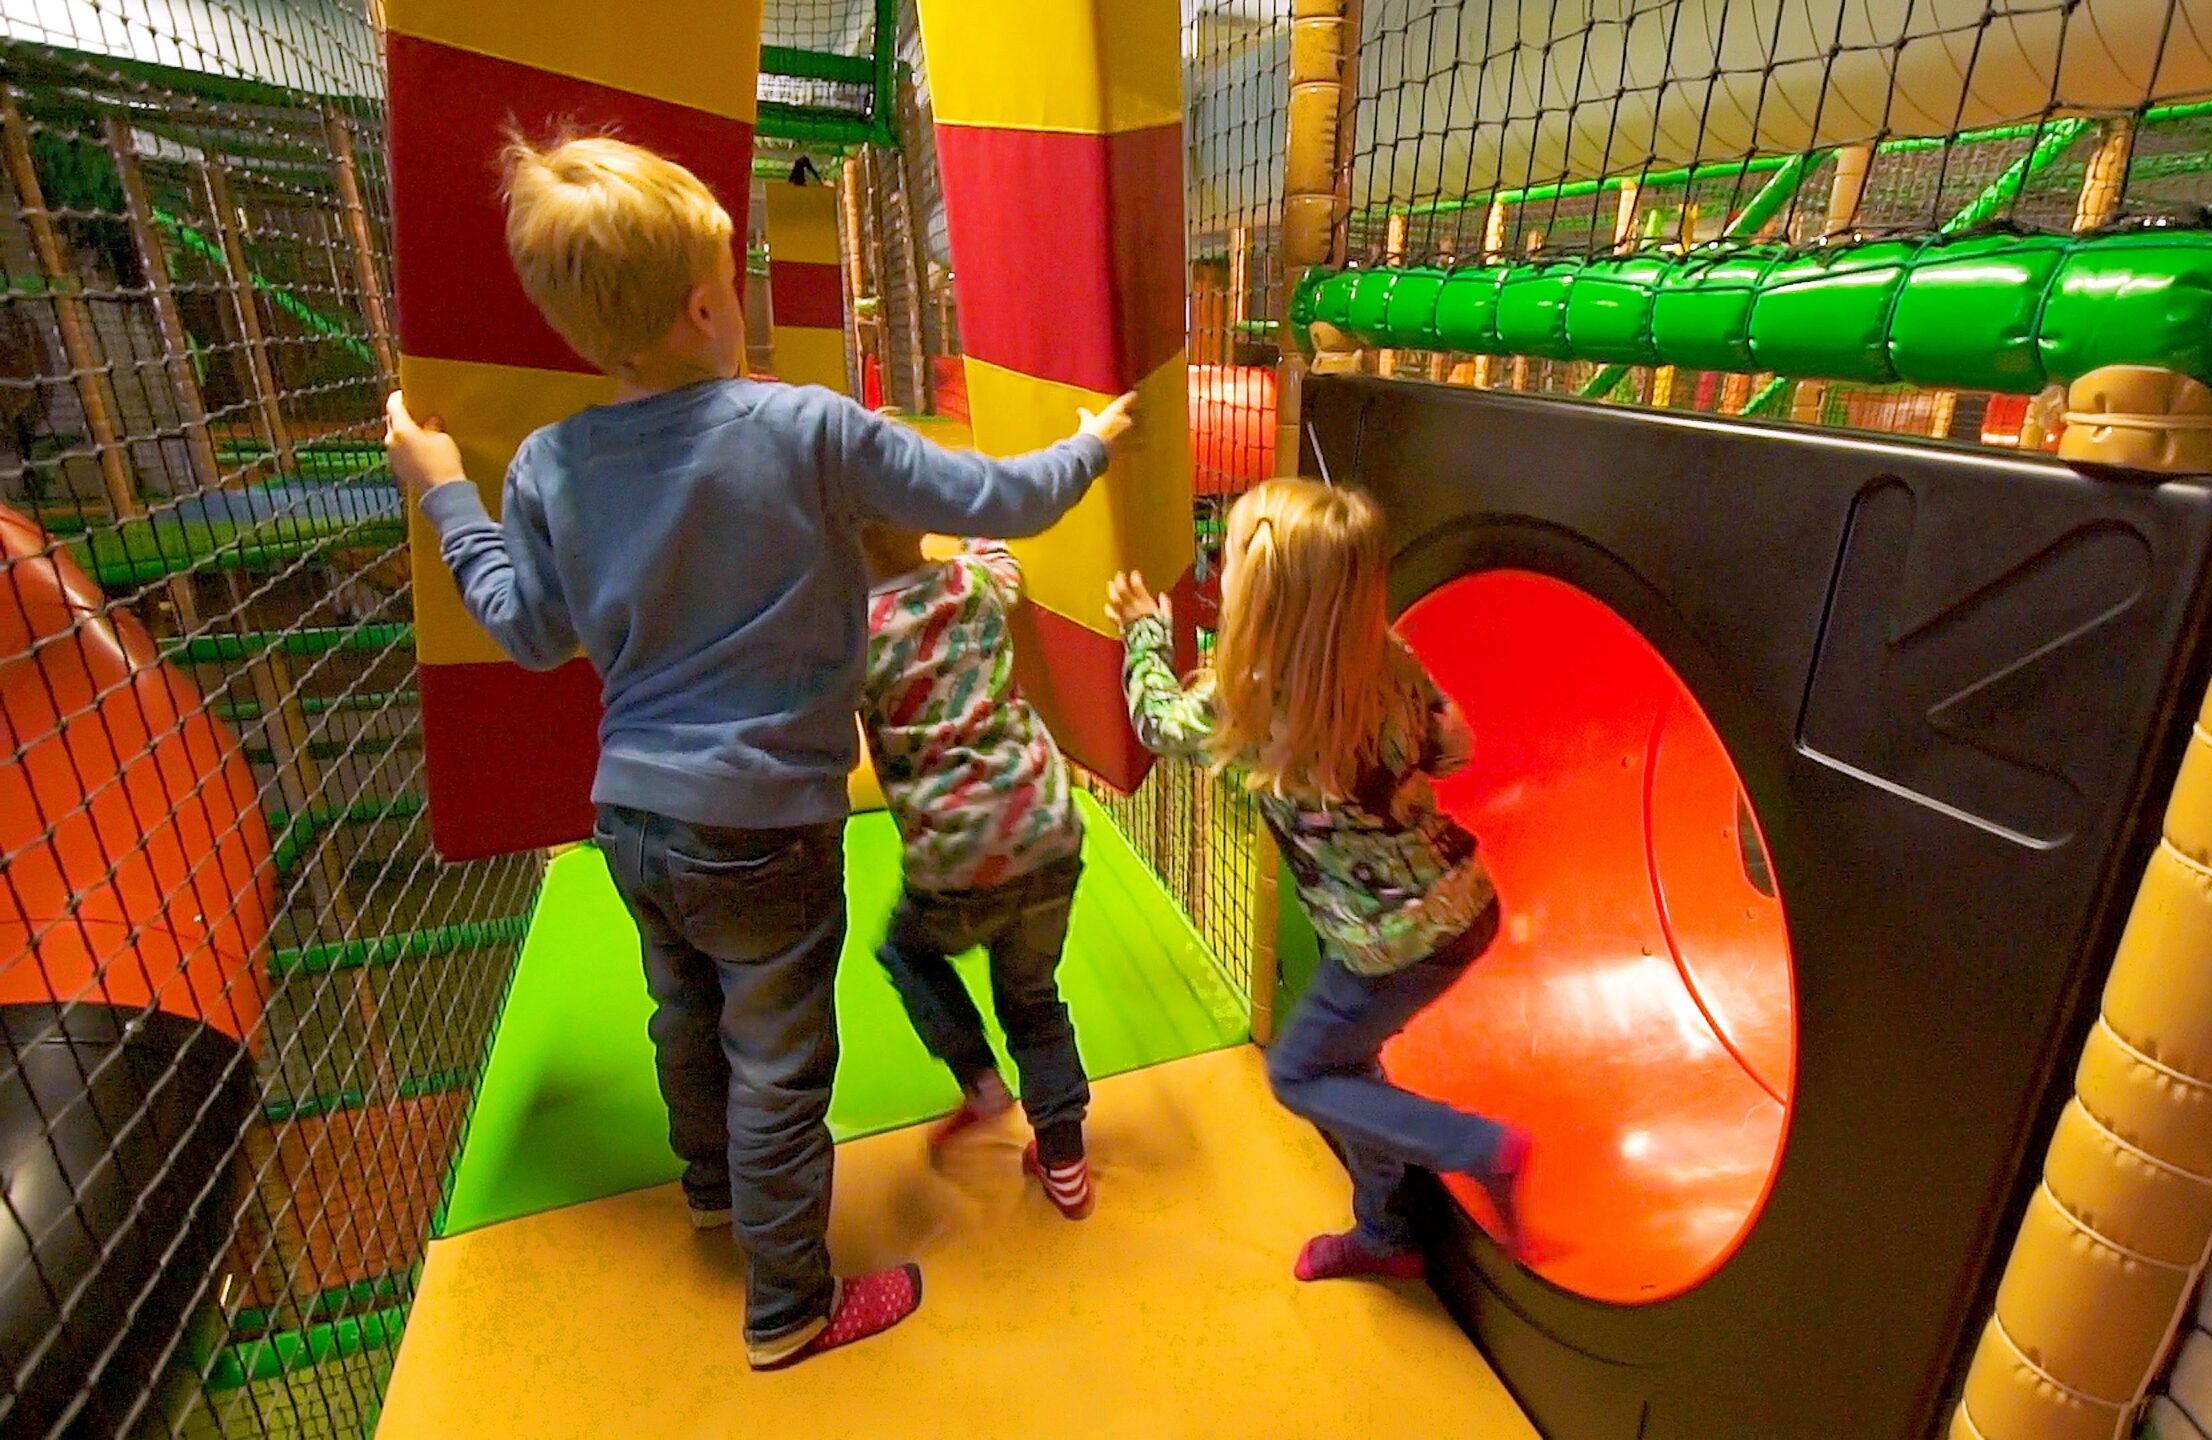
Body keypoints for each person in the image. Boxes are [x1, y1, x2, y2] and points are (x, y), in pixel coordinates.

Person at [382, 132, 1136, 1369]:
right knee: (780, 1064)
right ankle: (790, 1303)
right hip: (767, 825)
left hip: (628, 816)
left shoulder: (555, 467)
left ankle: (712, 1191)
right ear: (704, 302)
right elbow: (1000, 503)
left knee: (683, 1014)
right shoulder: (805, 428)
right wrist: (1095, 445)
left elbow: (524, 631)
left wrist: (443, 490)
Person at [1106, 478, 1529, 1282]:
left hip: (1390, 946)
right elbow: (1454, 752)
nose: (1214, 568)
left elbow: (1155, 720)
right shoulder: (1391, 661)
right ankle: (1386, 1231)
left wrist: (1142, 636)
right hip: (1464, 902)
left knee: (1297, 1073)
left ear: (1256, 599)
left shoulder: (1246, 707)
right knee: (1348, 1066)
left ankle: (1476, 1149)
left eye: (1224, 560)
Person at [859, 524, 1093, 1218]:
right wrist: (979, 523)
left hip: (954, 859)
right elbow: (1003, 560)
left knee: (905, 951)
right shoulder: (972, 583)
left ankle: (979, 1077)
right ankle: (1066, 1166)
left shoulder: (849, 632)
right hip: (1047, 832)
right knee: (1032, 999)